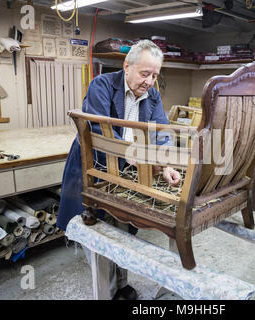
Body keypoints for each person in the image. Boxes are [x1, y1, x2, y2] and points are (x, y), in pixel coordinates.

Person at [57, 40, 182, 300]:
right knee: (99, 234)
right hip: (94, 168)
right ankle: (108, 291)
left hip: (126, 169)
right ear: (127, 67)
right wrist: (136, 155)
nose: (149, 81)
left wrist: (166, 163)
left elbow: (161, 132)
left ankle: (122, 284)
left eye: (155, 75)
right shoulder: (101, 86)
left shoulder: (153, 95)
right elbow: (100, 133)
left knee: (123, 227)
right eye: (145, 73)